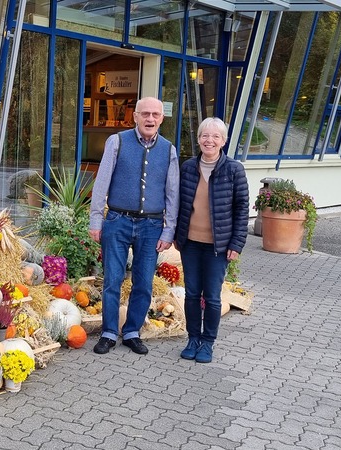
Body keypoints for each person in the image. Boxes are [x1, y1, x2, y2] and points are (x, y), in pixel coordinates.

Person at [88, 97, 179, 356]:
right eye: (145, 114)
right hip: (117, 221)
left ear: (162, 119)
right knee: (112, 280)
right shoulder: (117, 141)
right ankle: (108, 332)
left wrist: (168, 230)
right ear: (135, 116)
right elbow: (102, 182)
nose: (150, 119)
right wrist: (96, 220)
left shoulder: (169, 150)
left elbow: (173, 193)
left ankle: (131, 332)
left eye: (155, 115)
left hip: (151, 225)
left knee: (143, 282)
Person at [174, 117, 249, 364]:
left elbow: (242, 209)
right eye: (205, 135)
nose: (210, 140)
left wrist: (236, 243)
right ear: (198, 139)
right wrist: (175, 234)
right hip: (190, 243)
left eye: (216, 136)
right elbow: (177, 203)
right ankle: (193, 339)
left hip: (218, 246)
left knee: (213, 296)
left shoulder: (234, 170)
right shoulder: (188, 167)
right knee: (192, 293)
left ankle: (207, 342)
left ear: (223, 141)